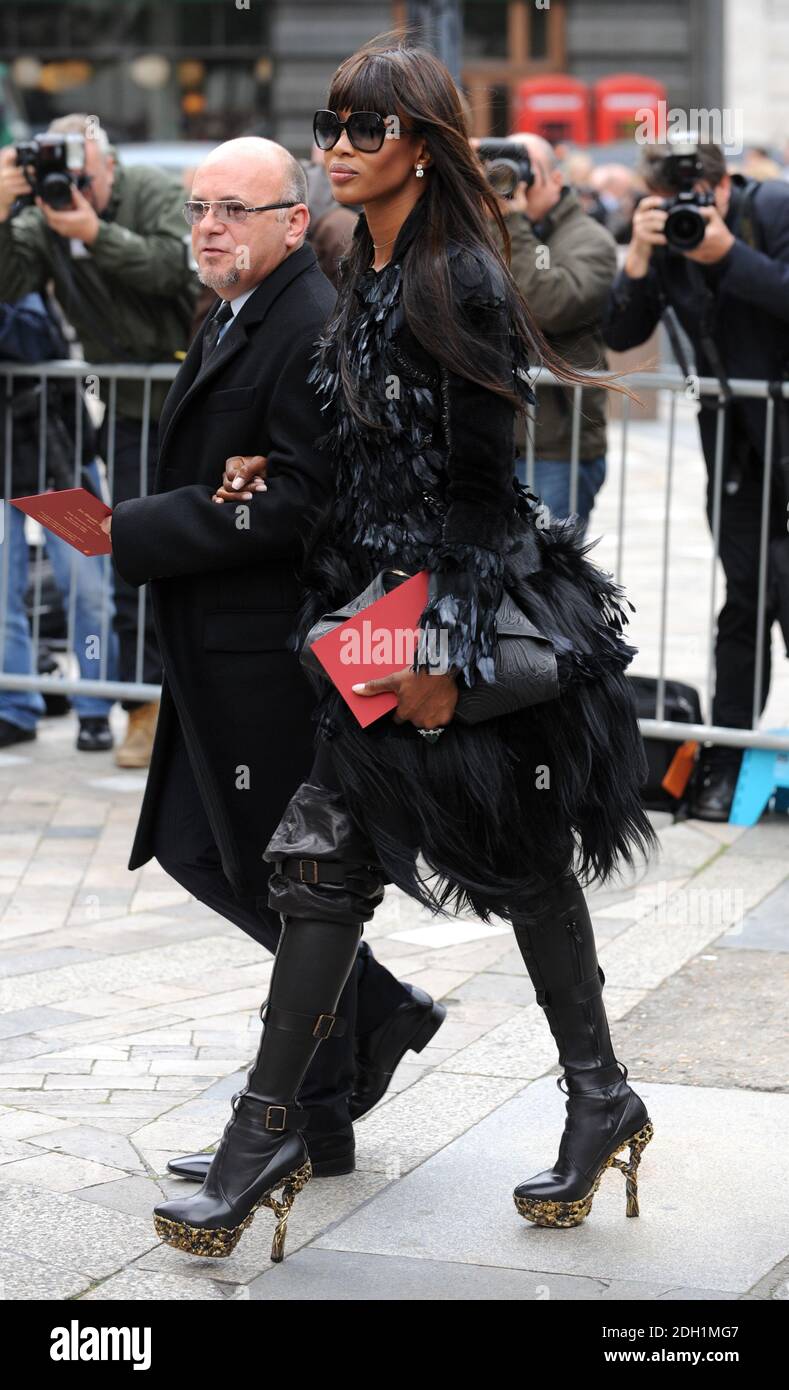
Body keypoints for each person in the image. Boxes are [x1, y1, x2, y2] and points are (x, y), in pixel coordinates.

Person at [152, 40, 658, 1265]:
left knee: (503, 865)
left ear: (420, 149)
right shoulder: (365, 264)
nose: (334, 149)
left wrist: (439, 640)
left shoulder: (460, 277)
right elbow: (376, 443)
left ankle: (579, 1098)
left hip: (440, 615)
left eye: (361, 131)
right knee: (339, 865)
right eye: (328, 127)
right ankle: (289, 1128)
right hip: (374, 611)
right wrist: (271, 465)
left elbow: (490, 491)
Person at [104, 137, 440, 1192]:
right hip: (221, 645)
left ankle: (324, 1090)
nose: (208, 226)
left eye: (235, 209)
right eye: (199, 207)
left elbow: (300, 500)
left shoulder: (300, 321)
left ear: (293, 222)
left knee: (261, 870)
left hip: (268, 654)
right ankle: (351, 1063)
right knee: (226, 859)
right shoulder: (241, 306)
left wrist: (144, 528)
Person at [0, 114, 200, 768]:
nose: (71, 190)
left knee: (196, 550)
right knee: (133, 555)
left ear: (108, 167)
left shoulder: (147, 190)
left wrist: (95, 234)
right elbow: (8, 285)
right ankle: (139, 705)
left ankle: (187, 699)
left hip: (195, 393)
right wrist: (3, 212)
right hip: (121, 412)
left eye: (82, 176)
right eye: (59, 177)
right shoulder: (41, 216)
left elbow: (173, 268)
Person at [602, 141, 789, 820]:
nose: (689, 208)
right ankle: (728, 761)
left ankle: (740, 760)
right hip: (734, 446)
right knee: (743, 595)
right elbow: (621, 333)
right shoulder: (661, 236)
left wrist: (726, 257)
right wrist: (641, 256)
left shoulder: (772, 209)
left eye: (698, 193)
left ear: (722, 183)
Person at [0, 291, 120, 751]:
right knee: (2, 596)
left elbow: (35, 339)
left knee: (87, 590)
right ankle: (14, 706)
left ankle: (95, 706)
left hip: (57, 452)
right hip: (13, 455)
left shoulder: (23, 261)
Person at [489, 134, 618, 534]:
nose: (512, 180)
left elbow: (545, 306)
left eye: (523, 169)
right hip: (497, 439)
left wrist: (512, 222)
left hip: (557, 447)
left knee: (548, 577)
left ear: (556, 178)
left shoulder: (589, 240)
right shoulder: (490, 230)